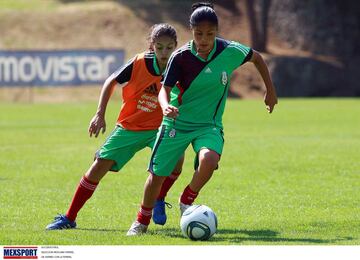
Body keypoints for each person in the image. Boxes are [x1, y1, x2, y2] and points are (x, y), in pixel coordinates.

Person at [127, 2, 278, 235]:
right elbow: (163, 89)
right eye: (199, 34)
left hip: (209, 125)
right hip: (176, 122)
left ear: (217, 31)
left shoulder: (230, 51)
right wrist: (166, 107)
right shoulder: (181, 56)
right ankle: (141, 221)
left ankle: (187, 199)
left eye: (210, 34)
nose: (204, 39)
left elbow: (256, 58)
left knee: (209, 159)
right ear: (191, 31)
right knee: (156, 176)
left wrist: (270, 90)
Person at [46, 23, 184, 230]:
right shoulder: (138, 63)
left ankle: (159, 198)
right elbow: (111, 81)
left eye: (169, 47)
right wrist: (100, 113)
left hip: (160, 128)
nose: (164, 53)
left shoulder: (180, 66)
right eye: (159, 47)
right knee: (97, 167)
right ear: (151, 46)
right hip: (130, 126)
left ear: (175, 46)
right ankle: (69, 217)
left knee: (177, 161)